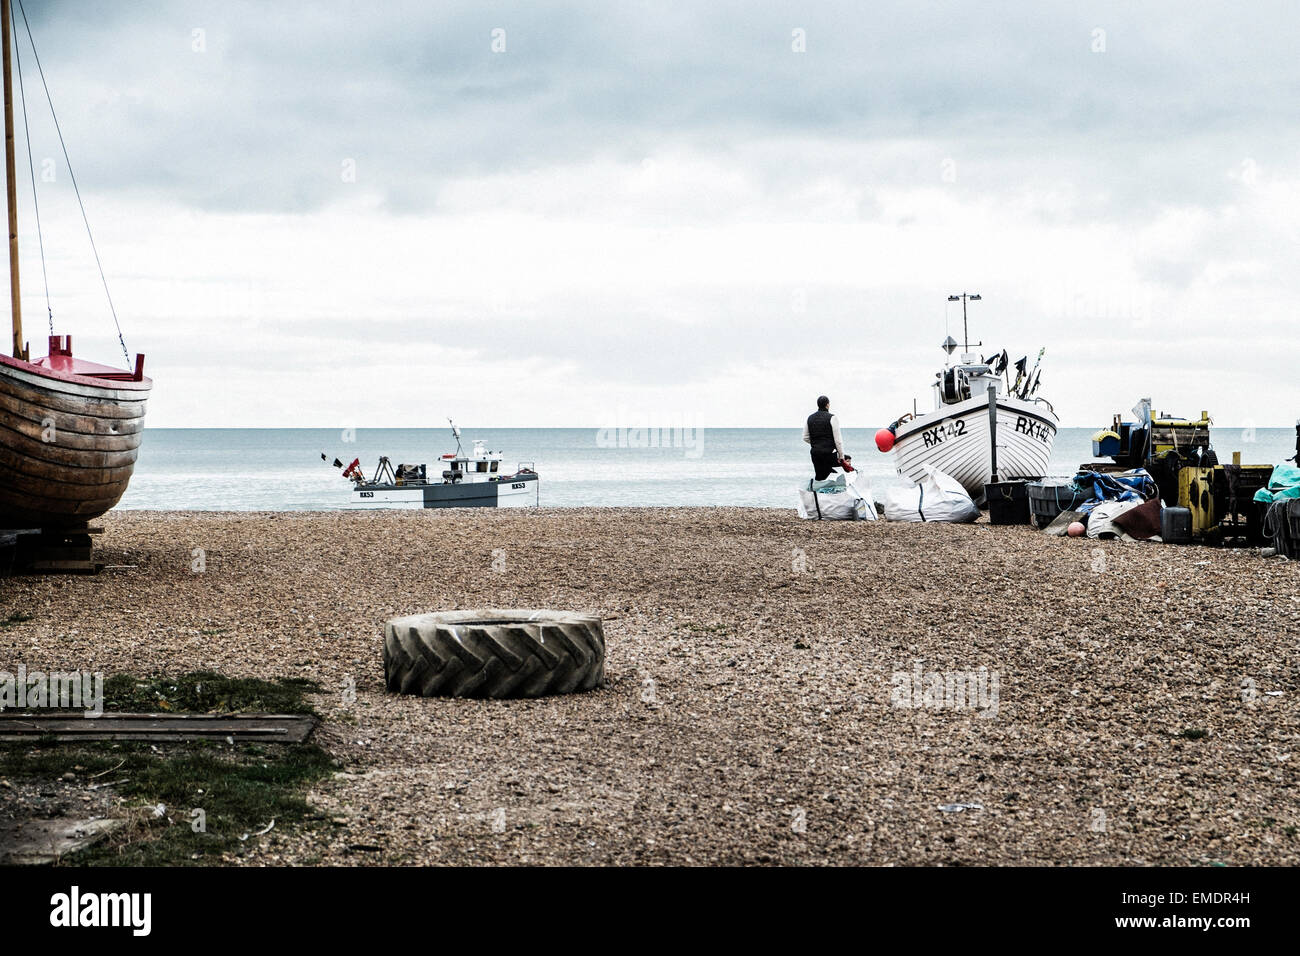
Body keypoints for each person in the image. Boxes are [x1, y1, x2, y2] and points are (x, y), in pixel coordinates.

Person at [803, 395, 846, 481]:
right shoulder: (832, 418)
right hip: (828, 454)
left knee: (820, 476)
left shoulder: (810, 418)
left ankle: (815, 492)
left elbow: (805, 437)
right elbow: (838, 441)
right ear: (827, 405)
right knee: (845, 461)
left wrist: (816, 443)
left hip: (815, 454)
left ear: (818, 405)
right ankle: (836, 490)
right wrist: (841, 456)